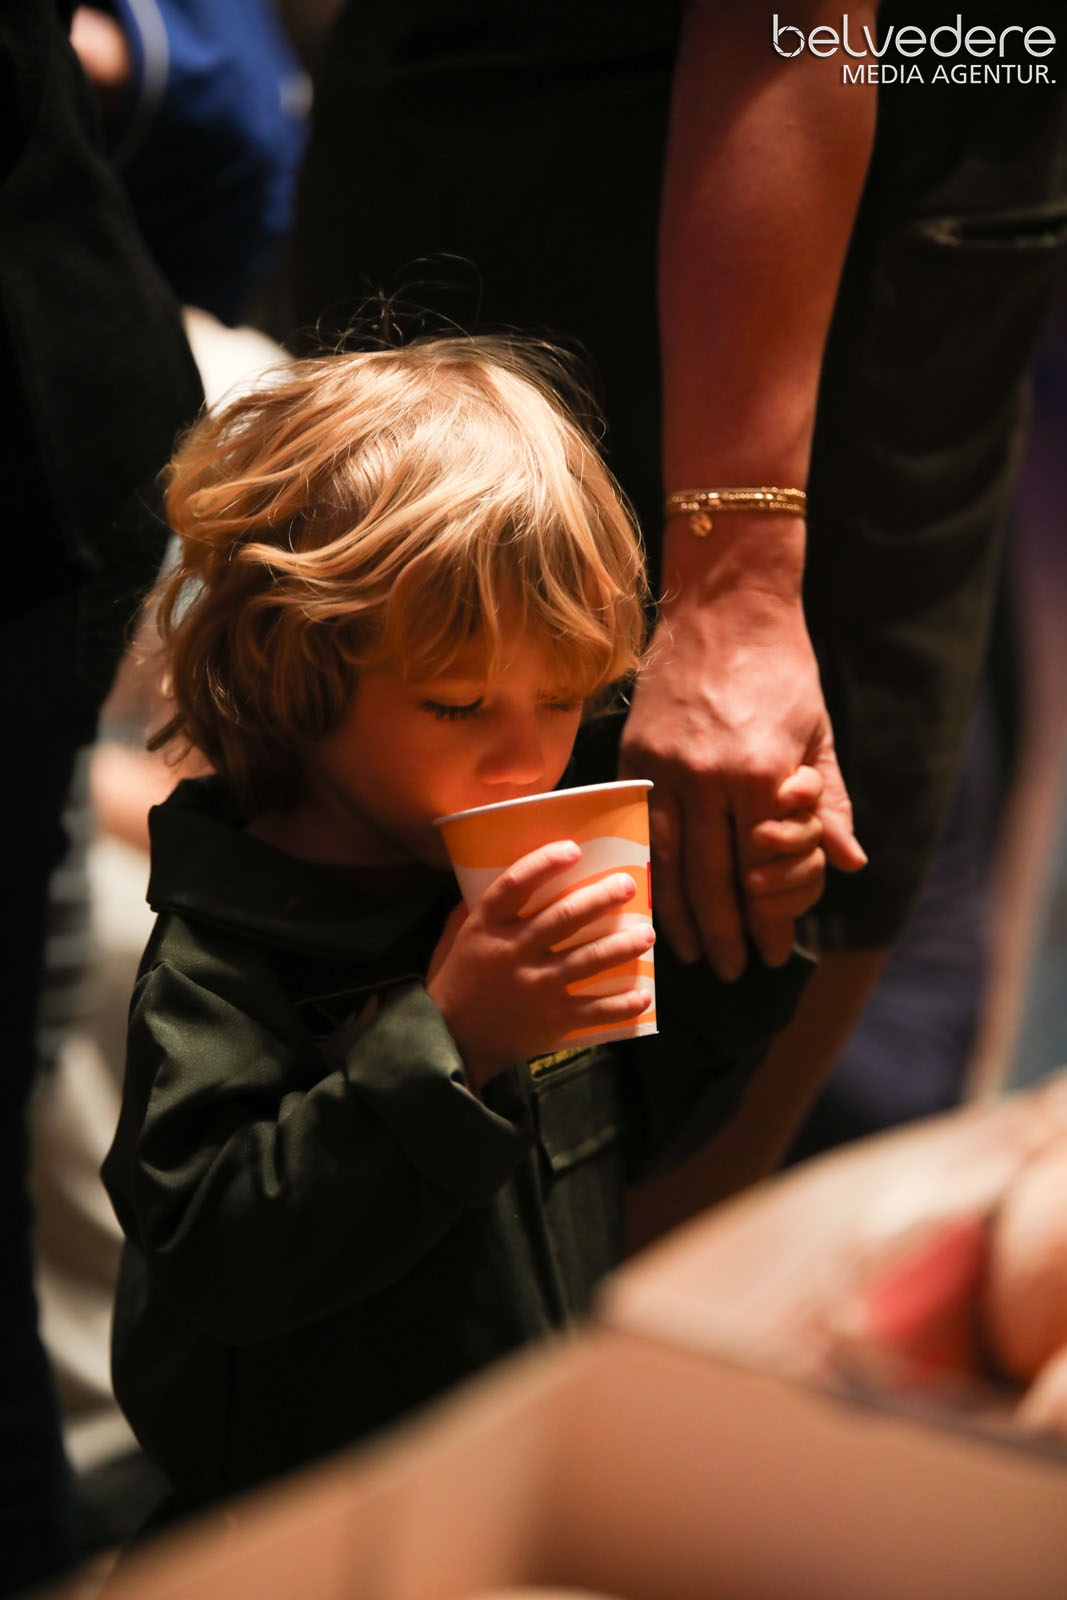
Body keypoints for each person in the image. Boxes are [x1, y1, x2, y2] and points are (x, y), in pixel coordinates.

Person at [101, 335, 823, 1512]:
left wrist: (745, 929)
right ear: (296, 670)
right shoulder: (226, 955)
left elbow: (635, 1136)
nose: (523, 758)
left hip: (511, 1481)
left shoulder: (509, 866)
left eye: (565, 698)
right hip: (302, 1533)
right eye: (455, 703)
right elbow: (214, 1257)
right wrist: (450, 1044)